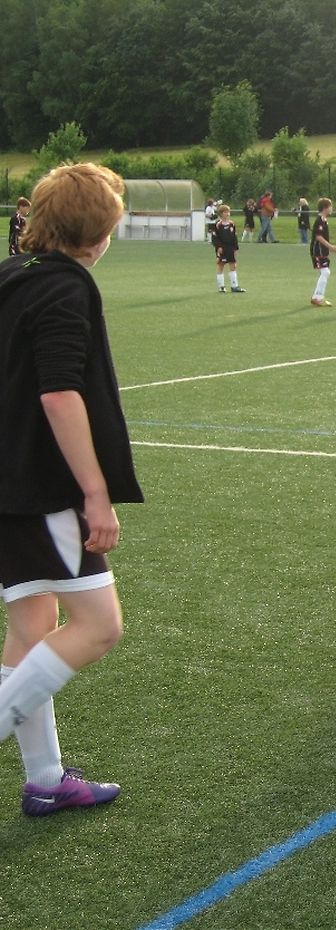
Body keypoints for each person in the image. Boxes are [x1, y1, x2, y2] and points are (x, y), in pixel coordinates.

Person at [0, 162, 142, 815]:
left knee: (33, 629)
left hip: (9, 483)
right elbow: (59, 394)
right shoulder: (65, 287)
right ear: (95, 233)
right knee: (99, 627)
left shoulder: (12, 274)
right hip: (40, 488)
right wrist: (94, 491)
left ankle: (46, 779)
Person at [310, 197, 336, 307]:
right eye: (330, 206)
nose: (332, 208)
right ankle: (317, 297)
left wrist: (330, 249)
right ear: (325, 208)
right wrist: (331, 247)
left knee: (325, 272)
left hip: (322, 251)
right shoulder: (319, 220)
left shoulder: (324, 220)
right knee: (325, 272)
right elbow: (318, 237)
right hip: (317, 250)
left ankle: (317, 297)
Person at [211, 204, 245, 294]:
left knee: (233, 265)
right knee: (221, 265)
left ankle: (234, 286)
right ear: (221, 213)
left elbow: (234, 237)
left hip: (230, 248)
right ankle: (221, 287)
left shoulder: (231, 224)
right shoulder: (218, 224)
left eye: (228, 212)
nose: (227, 214)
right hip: (222, 248)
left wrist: (236, 248)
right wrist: (218, 247)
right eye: (225, 212)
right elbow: (214, 238)